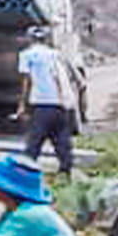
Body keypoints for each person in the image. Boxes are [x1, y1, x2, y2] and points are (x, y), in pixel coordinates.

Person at [17, 25, 75, 176]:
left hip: (40, 104)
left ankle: (25, 177)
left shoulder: (27, 55)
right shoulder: (56, 54)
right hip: (59, 104)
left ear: (29, 39)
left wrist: (22, 105)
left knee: (34, 144)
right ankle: (65, 174)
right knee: (62, 143)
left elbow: (27, 81)